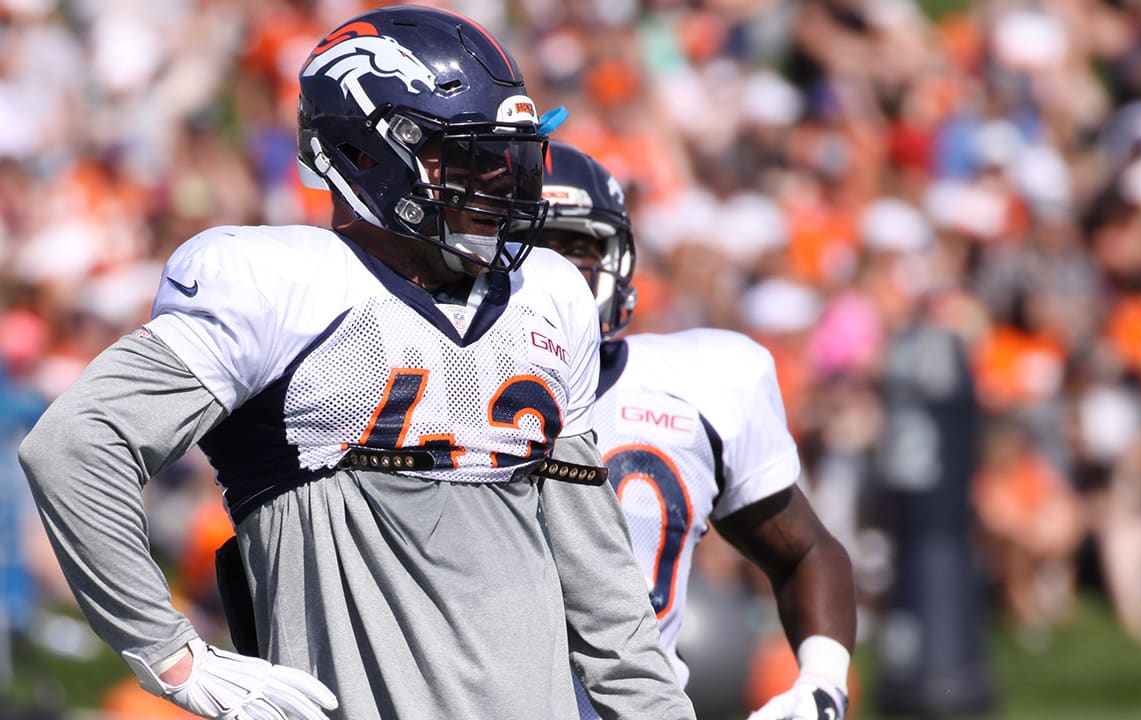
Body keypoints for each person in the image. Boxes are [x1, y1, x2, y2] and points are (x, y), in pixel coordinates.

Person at [18, 8, 693, 720]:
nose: (500, 183)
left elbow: (603, 586)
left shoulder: (550, 296)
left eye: (508, 157)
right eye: (466, 157)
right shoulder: (277, 284)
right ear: (365, 154)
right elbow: (75, 447)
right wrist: (169, 652)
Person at [536, 140, 857, 720]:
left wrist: (822, 683)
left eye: (577, 250)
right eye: (536, 251)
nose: (559, 277)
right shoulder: (430, 387)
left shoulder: (703, 384)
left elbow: (807, 551)